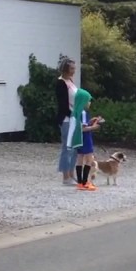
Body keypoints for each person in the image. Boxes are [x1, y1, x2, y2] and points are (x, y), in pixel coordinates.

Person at [54, 57, 79, 185]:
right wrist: (73, 114)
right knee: (67, 147)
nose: (74, 71)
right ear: (65, 69)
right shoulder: (61, 83)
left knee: (74, 148)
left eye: (74, 68)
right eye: (71, 68)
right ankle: (65, 176)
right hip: (66, 119)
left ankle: (71, 173)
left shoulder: (71, 81)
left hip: (74, 117)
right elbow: (63, 105)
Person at [72, 87, 104, 189]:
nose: (90, 103)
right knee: (89, 159)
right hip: (85, 138)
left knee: (79, 159)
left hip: (78, 139)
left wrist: (91, 121)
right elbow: (83, 129)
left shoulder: (76, 111)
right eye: (88, 101)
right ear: (84, 101)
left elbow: (81, 125)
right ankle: (85, 182)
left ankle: (80, 183)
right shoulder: (84, 112)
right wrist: (94, 127)